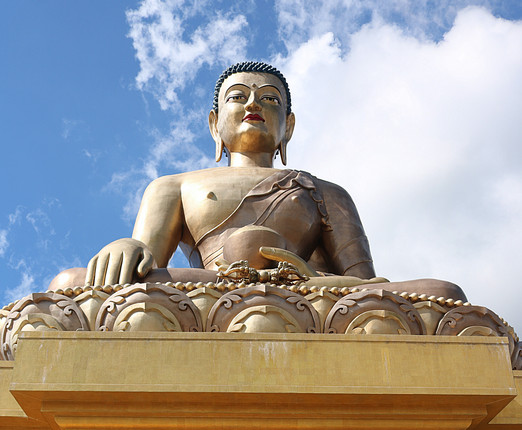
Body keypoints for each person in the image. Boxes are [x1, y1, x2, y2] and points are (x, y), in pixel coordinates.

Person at [48, 60, 466, 303]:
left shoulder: (324, 191)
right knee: (70, 285)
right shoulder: (173, 186)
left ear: (289, 127)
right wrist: (129, 247)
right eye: (238, 96)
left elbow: (366, 286)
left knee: (442, 292)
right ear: (215, 125)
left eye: (269, 99)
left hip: (303, 292)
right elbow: (146, 265)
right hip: (209, 289)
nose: (253, 104)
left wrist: (305, 278)